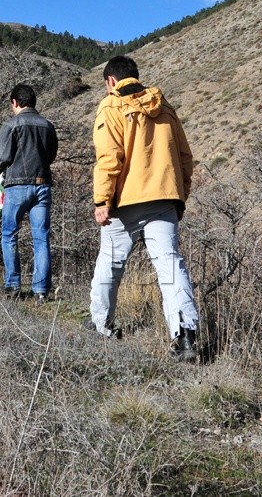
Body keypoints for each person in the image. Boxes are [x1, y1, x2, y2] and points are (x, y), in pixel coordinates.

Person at [89, 55, 200, 363]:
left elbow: (109, 159)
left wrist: (101, 200)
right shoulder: (165, 108)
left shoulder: (110, 106)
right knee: (171, 267)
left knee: (110, 265)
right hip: (164, 199)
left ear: (111, 81)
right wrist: (180, 196)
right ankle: (185, 336)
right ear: (135, 76)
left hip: (124, 203)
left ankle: (101, 326)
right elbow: (185, 157)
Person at [0, 84, 57, 302]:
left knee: (9, 234)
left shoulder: (11, 125)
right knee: (41, 238)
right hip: (42, 184)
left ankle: (13, 285)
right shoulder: (47, 126)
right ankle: (41, 291)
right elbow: (51, 156)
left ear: (15, 102)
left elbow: (1, 157)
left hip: (17, 185)